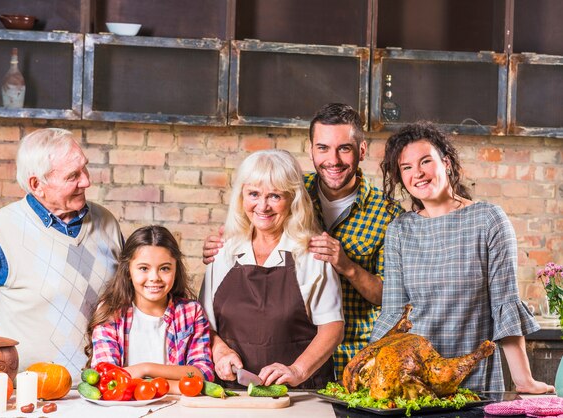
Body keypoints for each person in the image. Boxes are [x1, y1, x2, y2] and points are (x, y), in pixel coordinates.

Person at [203, 104, 403, 380]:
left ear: (362, 151)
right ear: (311, 150)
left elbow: (393, 297)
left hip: (354, 356)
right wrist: (227, 239)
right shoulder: (293, 184)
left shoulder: (388, 214)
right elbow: (204, 322)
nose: (332, 160)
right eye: (323, 148)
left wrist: (347, 265)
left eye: (344, 148)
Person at [371, 121, 554, 394]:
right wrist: (368, 367)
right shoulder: (399, 230)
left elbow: (505, 305)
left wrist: (523, 380)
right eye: (406, 167)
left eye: (425, 161)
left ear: (445, 163)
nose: (417, 173)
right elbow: (393, 314)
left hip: (474, 382)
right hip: (415, 383)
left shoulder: (488, 220)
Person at [0, 128, 123, 388]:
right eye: (73, 176)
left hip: (105, 390)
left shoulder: (107, 223)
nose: (86, 181)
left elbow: (132, 298)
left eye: (84, 169)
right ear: (37, 185)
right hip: (29, 395)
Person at [199, 149, 344, 389]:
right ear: (241, 197)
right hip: (234, 393)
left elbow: (332, 328)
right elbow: (204, 323)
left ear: (293, 200)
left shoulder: (313, 254)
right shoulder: (223, 252)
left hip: (300, 394)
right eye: (253, 194)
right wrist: (220, 351)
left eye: (275, 196)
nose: (262, 206)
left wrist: (297, 370)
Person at [86, 225, 214, 394]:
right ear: (128, 271)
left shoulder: (191, 313)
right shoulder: (111, 312)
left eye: (165, 268)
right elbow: (107, 380)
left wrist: (146, 369)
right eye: (144, 268)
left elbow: (202, 374)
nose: (154, 278)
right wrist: (173, 385)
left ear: (176, 269)